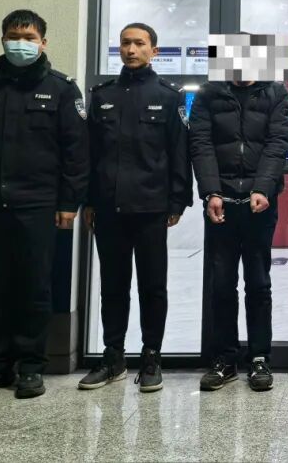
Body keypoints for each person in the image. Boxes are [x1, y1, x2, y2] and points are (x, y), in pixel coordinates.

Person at [0, 9, 88, 399]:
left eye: (29, 37)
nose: (20, 43)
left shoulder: (62, 90)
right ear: (2, 40)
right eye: (13, 36)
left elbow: (76, 153)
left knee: (34, 288)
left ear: (43, 42)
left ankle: (30, 367)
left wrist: (69, 201)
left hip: (38, 206)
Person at [79, 23, 191, 394]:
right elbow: (90, 154)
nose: (131, 49)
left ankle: (151, 356)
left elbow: (179, 151)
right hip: (108, 207)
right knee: (113, 286)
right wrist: (89, 200)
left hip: (151, 207)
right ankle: (113, 357)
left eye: (139, 43)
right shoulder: (103, 95)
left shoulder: (169, 96)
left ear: (154, 50)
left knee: (153, 286)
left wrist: (177, 199)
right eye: (125, 43)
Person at [189, 71, 288, 392]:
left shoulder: (276, 93)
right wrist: (211, 192)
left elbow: (278, 143)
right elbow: (201, 144)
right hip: (221, 202)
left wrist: (263, 187)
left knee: (258, 283)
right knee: (221, 284)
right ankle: (224, 359)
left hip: (260, 204)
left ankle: (260, 357)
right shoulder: (208, 93)